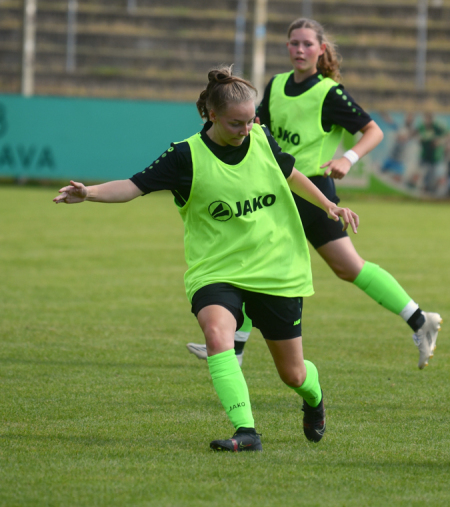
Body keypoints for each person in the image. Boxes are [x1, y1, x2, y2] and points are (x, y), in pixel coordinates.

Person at [54, 66, 359, 451]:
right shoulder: (185, 156)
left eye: (250, 121)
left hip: (276, 266)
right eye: (236, 123)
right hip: (217, 269)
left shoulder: (261, 136)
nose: (245, 130)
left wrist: (328, 204)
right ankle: (246, 431)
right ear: (212, 115)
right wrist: (89, 193)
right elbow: (133, 186)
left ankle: (314, 399)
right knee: (217, 334)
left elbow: (289, 173)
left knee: (294, 374)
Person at [185, 19, 441, 370]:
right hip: (277, 189)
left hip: (311, 191)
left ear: (321, 50)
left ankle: (420, 320)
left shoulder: (328, 92)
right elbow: (258, 131)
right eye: (294, 43)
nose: (300, 49)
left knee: (348, 267)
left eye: (307, 44)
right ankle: (236, 346)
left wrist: (348, 159)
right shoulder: (275, 85)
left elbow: (373, 131)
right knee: (256, 261)